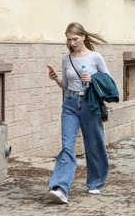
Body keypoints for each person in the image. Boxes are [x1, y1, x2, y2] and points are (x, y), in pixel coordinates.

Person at [46, 22, 109, 203]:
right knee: (67, 145)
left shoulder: (95, 57)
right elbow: (65, 85)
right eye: (69, 39)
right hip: (70, 104)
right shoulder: (67, 59)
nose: (72, 43)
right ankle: (60, 188)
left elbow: (108, 81)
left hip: (90, 103)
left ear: (83, 37)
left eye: (75, 38)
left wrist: (93, 78)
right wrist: (56, 78)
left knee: (94, 144)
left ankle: (96, 182)